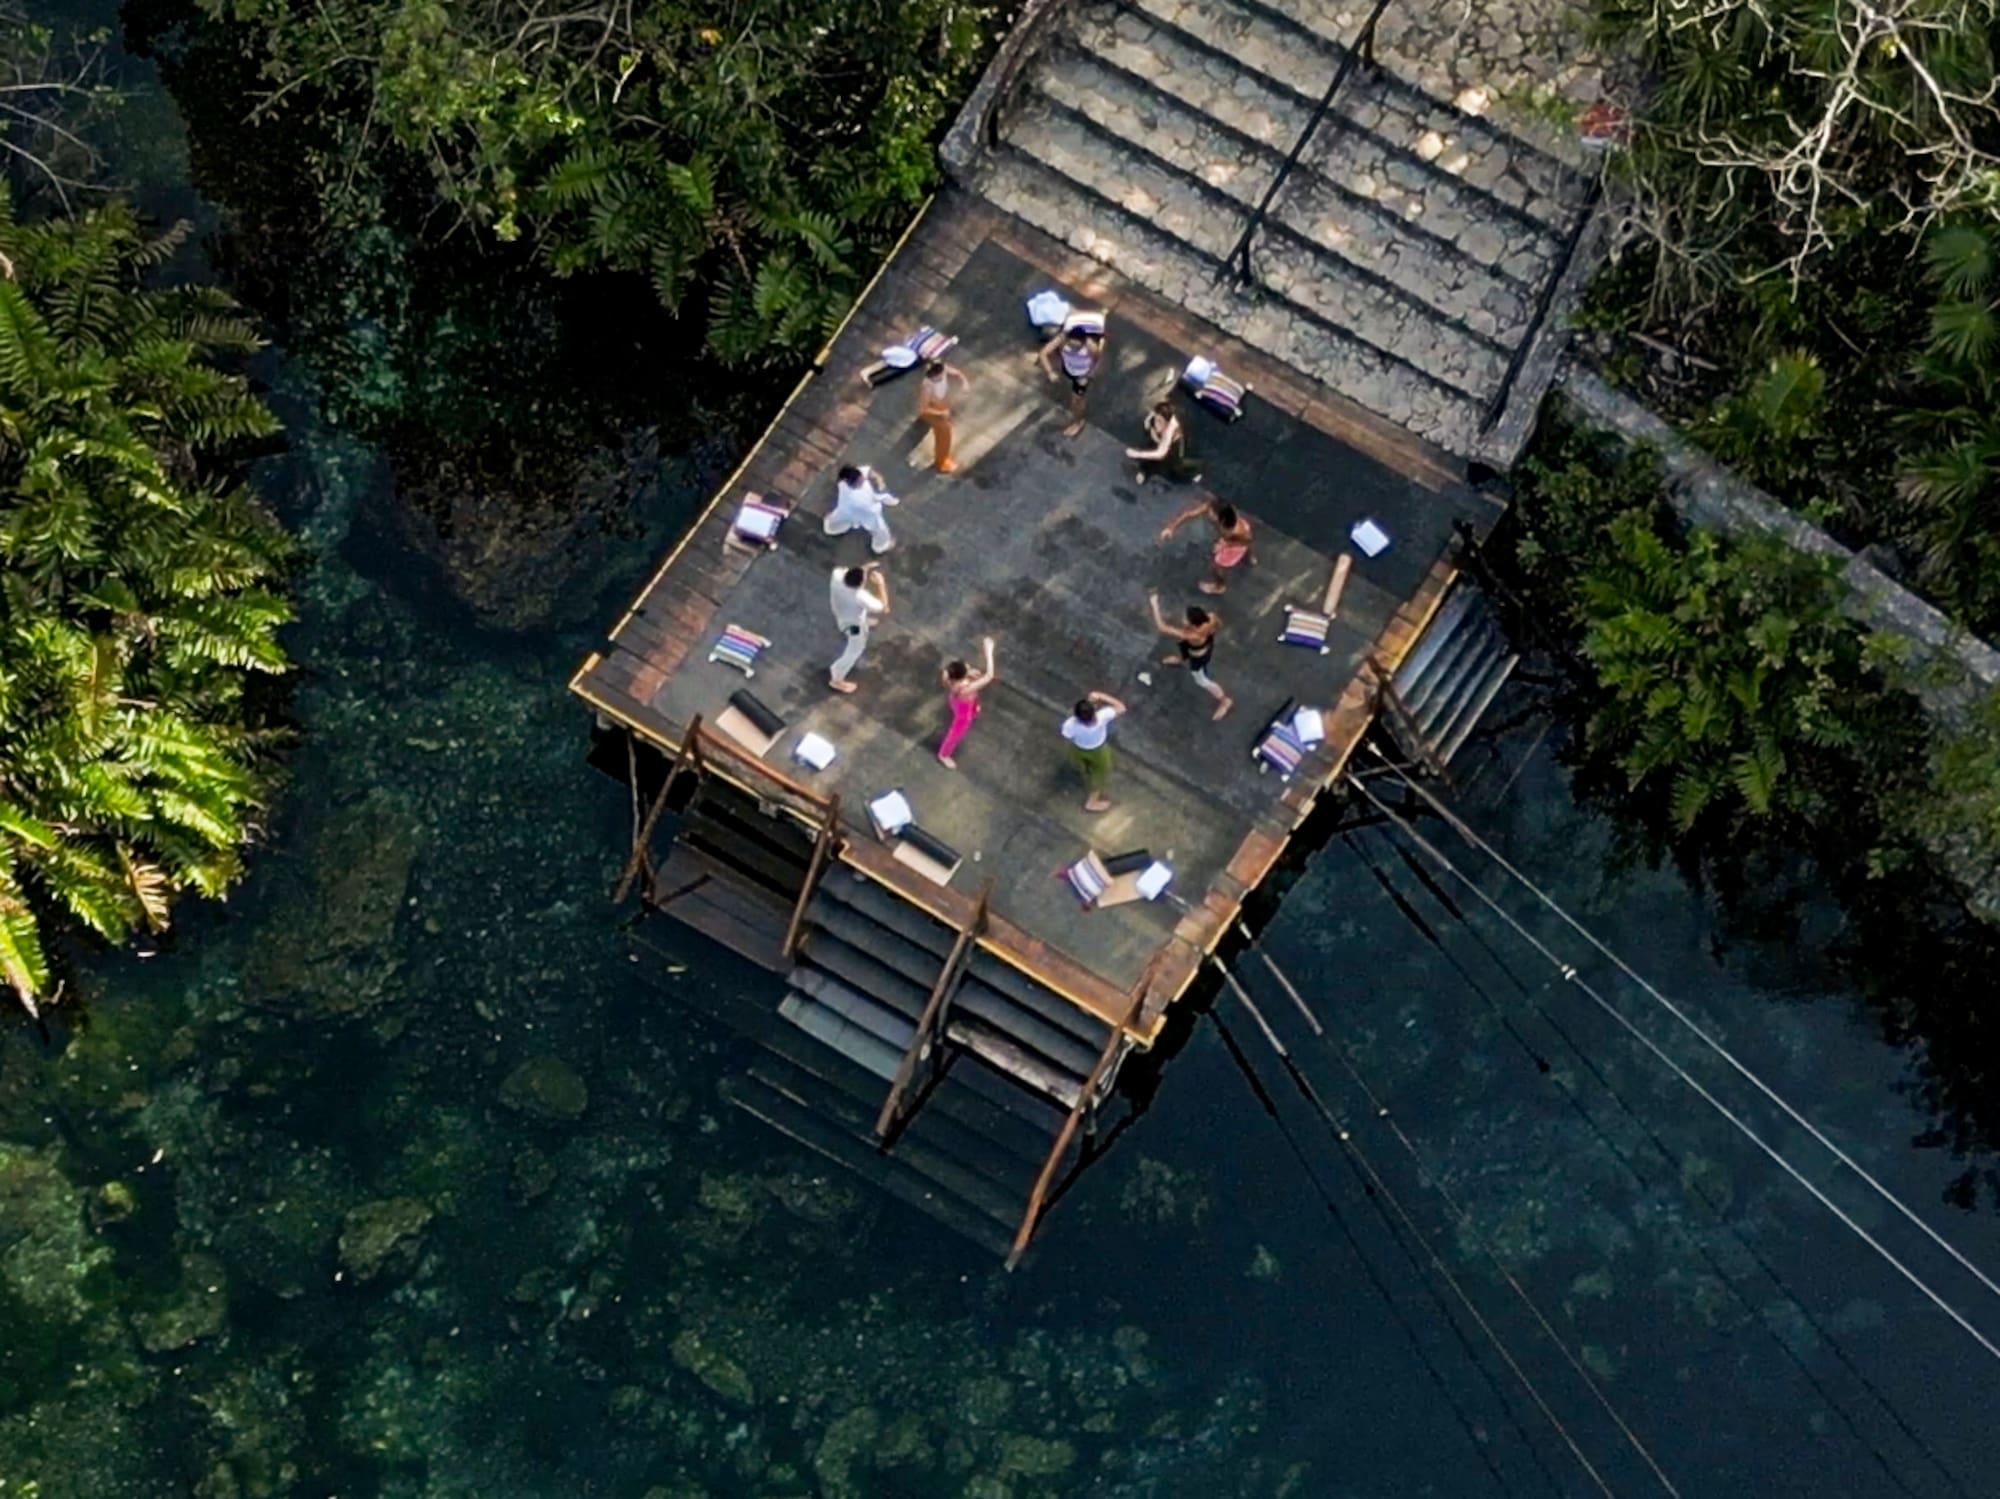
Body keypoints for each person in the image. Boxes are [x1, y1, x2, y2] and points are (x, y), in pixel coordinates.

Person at [1148, 593, 1233, 720]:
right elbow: (1215, 620)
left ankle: (1224, 700)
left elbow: (1162, 627)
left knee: (1201, 680)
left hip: (1198, 658)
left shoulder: (1193, 635)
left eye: (1187, 619)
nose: (1184, 619)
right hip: (1199, 646)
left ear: (1195, 626)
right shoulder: (1210, 618)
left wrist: (1155, 605)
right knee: (1185, 647)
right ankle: (1179, 659)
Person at [1157, 496, 1254, 594]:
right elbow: (1189, 514)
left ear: (1221, 518)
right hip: (1234, 537)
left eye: (1212, 513)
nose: (1209, 513)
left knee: (1217, 564)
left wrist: (1226, 544)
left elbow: (1246, 541)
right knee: (1242, 547)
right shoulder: (1211, 507)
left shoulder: (1234, 530)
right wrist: (1171, 527)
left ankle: (1220, 585)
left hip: (1236, 541)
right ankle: (1249, 558)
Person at [827, 562, 889, 694]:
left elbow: (849, 571)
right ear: (860, 584)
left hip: (840, 612)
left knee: (853, 616)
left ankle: (864, 621)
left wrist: (864, 568)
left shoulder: (837, 575)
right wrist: (880, 584)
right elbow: (882, 607)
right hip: (853, 625)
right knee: (855, 648)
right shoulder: (860, 597)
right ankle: (837, 677)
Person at [1060, 690, 1127, 813]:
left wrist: (1089, 702)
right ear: (1094, 712)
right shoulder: (1102, 717)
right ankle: (1092, 802)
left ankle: (1085, 772)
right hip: (1098, 750)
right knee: (1100, 774)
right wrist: (1101, 696)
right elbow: (1121, 708)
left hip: (1079, 748)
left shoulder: (1071, 724)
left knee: (1084, 767)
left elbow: (1067, 735)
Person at [937, 636, 997, 768]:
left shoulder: (949, 676)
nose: (970, 668)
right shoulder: (966, 689)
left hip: (958, 700)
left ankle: (974, 709)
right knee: (956, 733)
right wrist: (989, 652)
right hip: (963, 710)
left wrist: (968, 673)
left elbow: (959, 673)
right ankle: (943, 754)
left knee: (972, 704)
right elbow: (989, 676)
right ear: (962, 677)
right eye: (967, 669)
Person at [1038, 322, 1105, 438]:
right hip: (1068, 368)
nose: (1074, 348)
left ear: (1083, 342)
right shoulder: (1062, 339)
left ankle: (1077, 422)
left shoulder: (1090, 346)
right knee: (1075, 396)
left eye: (1077, 347)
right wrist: (1050, 372)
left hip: (1082, 375)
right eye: (1071, 345)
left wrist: (1090, 374)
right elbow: (1043, 353)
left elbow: (1097, 360)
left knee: (1076, 401)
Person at [824, 464, 898, 554]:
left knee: (835, 522)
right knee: (879, 528)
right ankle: (882, 545)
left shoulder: (848, 479)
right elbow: (872, 513)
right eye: (860, 481)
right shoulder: (853, 499)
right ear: (853, 484)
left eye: (861, 478)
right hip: (855, 511)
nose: (863, 480)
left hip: (857, 509)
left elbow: (869, 472)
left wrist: (879, 480)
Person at [1126, 398, 1200, 486]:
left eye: (1160, 421)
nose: (1157, 424)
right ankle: (1145, 470)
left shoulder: (1171, 429)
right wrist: (1150, 428)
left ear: (1167, 423)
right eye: (1156, 420)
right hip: (1162, 441)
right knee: (1151, 447)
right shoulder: (1155, 418)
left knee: (1173, 466)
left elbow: (1161, 453)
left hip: (1175, 447)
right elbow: (1149, 422)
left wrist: (1137, 454)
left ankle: (1188, 478)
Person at [917, 359, 969, 474]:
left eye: (940, 374)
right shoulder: (927, 387)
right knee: (944, 432)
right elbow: (923, 409)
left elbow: (958, 374)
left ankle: (943, 458)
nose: (939, 378)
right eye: (935, 377)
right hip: (932, 409)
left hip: (940, 403)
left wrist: (964, 383)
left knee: (948, 413)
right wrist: (941, 413)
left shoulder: (943, 369)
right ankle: (941, 461)